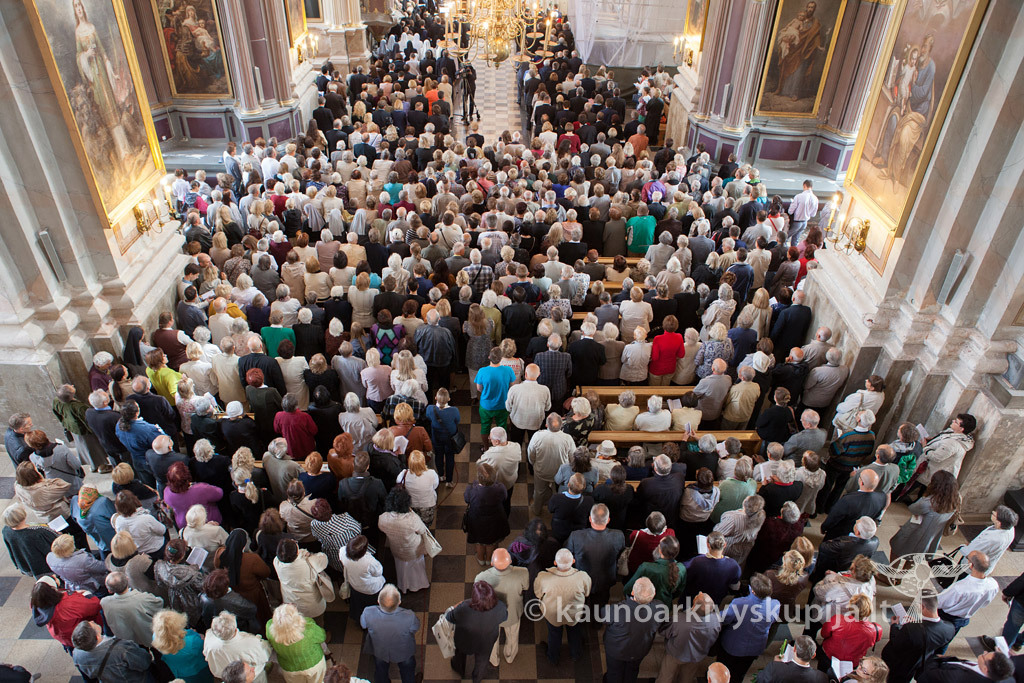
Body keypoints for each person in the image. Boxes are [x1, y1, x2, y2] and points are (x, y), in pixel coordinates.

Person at [717, 573, 780, 681]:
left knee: (722, 671)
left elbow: (724, 619)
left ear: (753, 591)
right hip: (756, 647)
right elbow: (772, 620)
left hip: (733, 646)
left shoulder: (739, 603)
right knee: (740, 673)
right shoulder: (775, 604)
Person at [534, 548, 591, 664]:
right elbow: (587, 592)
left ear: (555, 563)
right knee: (574, 632)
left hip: (552, 614)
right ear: (573, 561)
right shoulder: (582, 577)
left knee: (554, 634)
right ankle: (576, 654)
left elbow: (538, 594)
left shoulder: (543, 577)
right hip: (573, 613)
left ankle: (553, 657)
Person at [881, 594, 955, 683]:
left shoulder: (910, 629)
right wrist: (916, 624)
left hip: (900, 662)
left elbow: (896, 642)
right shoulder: (950, 628)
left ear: (922, 607)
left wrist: (895, 626)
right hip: (920, 661)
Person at [474, 548, 530, 666]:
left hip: (491, 616)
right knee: (512, 636)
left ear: (492, 563)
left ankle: (494, 660)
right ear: (510, 561)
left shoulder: (481, 578)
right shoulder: (523, 573)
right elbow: (525, 587)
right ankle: (510, 657)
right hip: (512, 613)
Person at [602, 577, 662, 683]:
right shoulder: (659, 609)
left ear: (633, 592)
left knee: (614, 672)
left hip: (616, 650)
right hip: (640, 650)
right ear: (653, 595)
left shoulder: (617, 610)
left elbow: (603, 616)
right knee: (632, 671)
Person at [889, 469, 959, 558]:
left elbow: (913, 509)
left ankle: (893, 567)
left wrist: (925, 495)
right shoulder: (955, 500)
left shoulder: (928, 502)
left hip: (916, 532)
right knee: (915, 557)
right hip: (932, 535)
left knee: (896, 551)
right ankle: (906, 567)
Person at [449, 581, 508, 683]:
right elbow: (504, 617)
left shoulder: (464, 607)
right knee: (482, 662)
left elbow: (450, 617)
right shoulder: (500, 606)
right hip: (487, 641)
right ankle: (477, 679)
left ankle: (459, 669)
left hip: (465, 640)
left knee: (460, 654)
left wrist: (455, 606)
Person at [565, 503, 625, 605]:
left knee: (581, 603)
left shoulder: (576, 536)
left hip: (582, 579)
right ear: (608, 520)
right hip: (606, 579)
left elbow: (567, 554)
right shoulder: (618, 536)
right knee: (602, 603)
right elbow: (621, 553)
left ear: (590, 519)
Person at [360, 584, 420, 683]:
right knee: (407, 670)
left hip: (380, 650)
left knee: (380, 670)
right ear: (399, 602)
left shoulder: (368, 612)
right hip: (403, 650)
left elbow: (363, 625)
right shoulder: (409, 616)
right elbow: (415, 628)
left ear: (378, 601)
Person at [936, 550, 999, 641]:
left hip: (946, 617)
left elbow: (939, 602)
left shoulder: (960, 588)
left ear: (971, 565)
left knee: (938, 638)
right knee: (947, 639)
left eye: (967, 558)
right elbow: (985, 603)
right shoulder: (993, 585)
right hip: (964, 618)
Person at [377, 488, 431, 592]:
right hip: (413, 548)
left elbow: (382, 528)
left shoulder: (383, 518)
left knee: (401, 567)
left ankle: (403, 585)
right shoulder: (412, 519)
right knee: (416, 568)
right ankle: (419, 584)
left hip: (396, 548)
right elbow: (422, 530)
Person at [71, 619, 153, 682]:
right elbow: (145, 662)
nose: (92, 621)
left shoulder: (76, 653)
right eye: (92, 624)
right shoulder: (121, 649)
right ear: (97, 637)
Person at [203, 611, 273, 683]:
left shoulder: (209, 637)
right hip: (252, 675)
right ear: (236, 630)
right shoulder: (250, 642)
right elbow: (265, 654)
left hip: (225, 675)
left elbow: (206, 654)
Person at [266, 602, 328, 683]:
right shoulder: (309, 629)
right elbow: (322, 636)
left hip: (289, 668)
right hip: (313, 664)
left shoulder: (269, 630)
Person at [464, 462, 511, 565]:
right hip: (495, 519)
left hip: (476, 520)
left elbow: (467, 499)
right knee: (491, 542)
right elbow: (504, 497)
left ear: (479, 478)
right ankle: (489, 559)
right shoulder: (500, 488)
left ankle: (480, 559)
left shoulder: (471, 490)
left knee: (479, 541)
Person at [273, 538, 331, 620]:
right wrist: (308, 554)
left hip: (291, 602)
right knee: (317, 622)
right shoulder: (309, 562)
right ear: (297, 552)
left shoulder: (276, 562)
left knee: (298, 624)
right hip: (312, 603)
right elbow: (324, 559)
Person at [152, 608, 215, 682]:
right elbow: (206, 649)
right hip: (197, 670)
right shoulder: (193, 642)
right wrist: (200, 636)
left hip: (179, 671)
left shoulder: (156, 637)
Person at [682, 530, 742, 605]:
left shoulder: (696, 562)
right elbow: (735, 587)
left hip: (692, 602)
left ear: (708, 545)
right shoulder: (733, 565)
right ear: (725, 545)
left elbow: (683, 573)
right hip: (715, 603)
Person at [624, 535, 685, 607]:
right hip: (666, 606)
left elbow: (627, 589)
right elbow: (679, 591)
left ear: (660, 550)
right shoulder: (682, 569)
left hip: (645, 606)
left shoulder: (645, 567)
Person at [2, 502, 59, 578]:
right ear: (23, 516)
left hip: (29, 564)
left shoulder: (6, 531)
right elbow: (57, 544)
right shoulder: (38, 532)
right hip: (47, 566)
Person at [961, 505, 1018, 576]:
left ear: (999, 523)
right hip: (988, 562)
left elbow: (971, 553)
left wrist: (963, 547)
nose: (993, 512)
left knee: (960, 577)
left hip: (972, 567)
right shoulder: (1010, 528)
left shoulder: (992, 539)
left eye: (994, 514)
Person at [756, 635, 827, 682]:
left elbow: (760, 679)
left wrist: (776, 664)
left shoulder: (774, 668)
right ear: (813, 655)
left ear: (794, 649)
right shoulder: (822, 677)